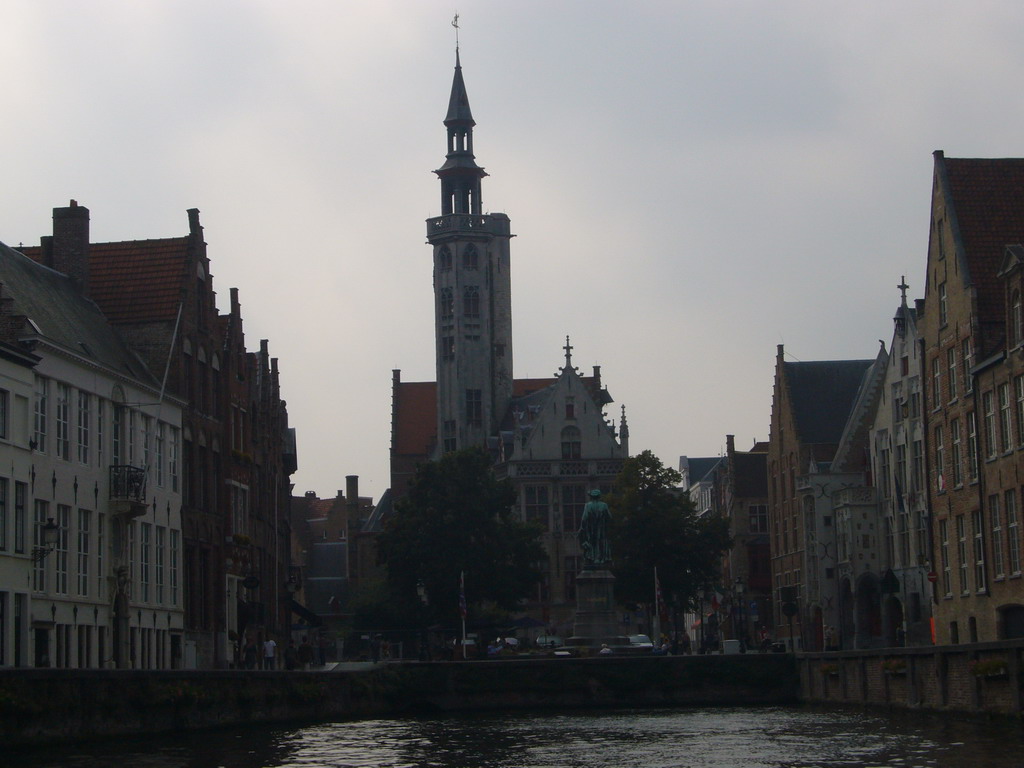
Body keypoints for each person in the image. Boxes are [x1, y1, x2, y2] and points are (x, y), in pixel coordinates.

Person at [579, 489, 611, 567]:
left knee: (592, 544)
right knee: (600, 543)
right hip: (601, 529)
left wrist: (582, 528)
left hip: (591, 530)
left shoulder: (588, 505)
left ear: (591, 497)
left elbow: (584, 518)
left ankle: (592, 558)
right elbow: (609, 517)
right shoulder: (604, 505)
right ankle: (601, 559)